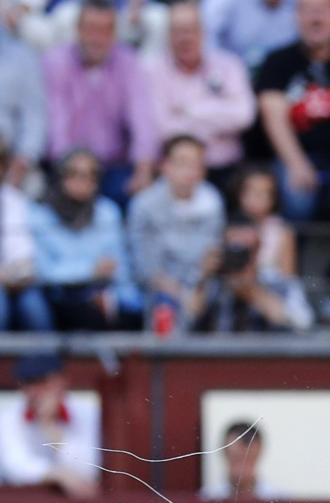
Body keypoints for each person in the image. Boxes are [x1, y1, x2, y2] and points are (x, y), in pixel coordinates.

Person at [255, 0, 330, 223]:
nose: (316, 19)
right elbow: (273, 118)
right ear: (296, 16)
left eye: (324, 10)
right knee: (296, 195)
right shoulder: (277, 62)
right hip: (296, 156)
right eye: (308, 10)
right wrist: (296, 163)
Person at [42, 0, 160, 205]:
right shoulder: (55, 62)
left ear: (114, 33)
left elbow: (142, 118)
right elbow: (56, 122)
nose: (97, 38)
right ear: (78, 29)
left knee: (140, 195)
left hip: (113, 165)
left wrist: (144, 166)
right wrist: (73, 170)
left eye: (105, 30)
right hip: (67, 166)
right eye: (91, 29)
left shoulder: (128, 62)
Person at [148, 0, 257, 187]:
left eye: (190, 30)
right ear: (168, 35)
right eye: (178, 31)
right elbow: (162, 128)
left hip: (225, 169)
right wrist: (219, 120)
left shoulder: (229, 64)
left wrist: (189, 111)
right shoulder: (152, 71)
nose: (185, 38)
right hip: (176, 174)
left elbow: (244, 116)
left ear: (203, 32)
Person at [28, 151, 142, 330]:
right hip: (60, 296)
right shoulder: (41, 216)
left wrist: (118, 300)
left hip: (104, 294)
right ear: (60, 177)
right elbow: (43, 271)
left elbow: (120, 266)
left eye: (91, 176)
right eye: (75, 174)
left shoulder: (107, 212)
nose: (84, 182)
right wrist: (89, 271)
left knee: (133, 314)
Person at [127, 134, 226, 326]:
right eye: (182, 162)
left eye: (196, 164)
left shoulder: (212, 201)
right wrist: (184, 296)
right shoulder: (144, 205)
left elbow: (210, 256)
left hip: (202, 284)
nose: (190, 170)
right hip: (158, 288)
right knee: (164, 306)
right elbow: (147, 269)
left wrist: (199, 285)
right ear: (165, 166)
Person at [0, 352, 100, 497]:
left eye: (42, 382)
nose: (34, 391)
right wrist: (58, 475)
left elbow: (89, 467)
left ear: (63, 381)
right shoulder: (9, 417)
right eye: (28, 383)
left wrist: (50, 426)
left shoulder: (88, 413)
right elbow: (14, 465)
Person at [1, 133, 52, 334]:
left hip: (17, 281)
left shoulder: (17, 202)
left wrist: (13, 276)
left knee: (34, 308)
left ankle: (45, 357)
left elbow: (25, 255)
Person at [0, 30, 47, 188]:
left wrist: (24, 158)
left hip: (8, 157)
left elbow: (34, 115)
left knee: (33, 185)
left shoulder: (22, 57)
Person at [204, 0, 299, 68]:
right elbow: (205, 34)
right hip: (231, 75)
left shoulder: (299, 4)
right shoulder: (224, 4)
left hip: (283, 77)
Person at [201, 420, 285, 497]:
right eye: (237, 459)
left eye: (249, 458)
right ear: (224, 452)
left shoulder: (278, 499)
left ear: (259, 452)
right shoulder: (206, 498)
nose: (242, 467)